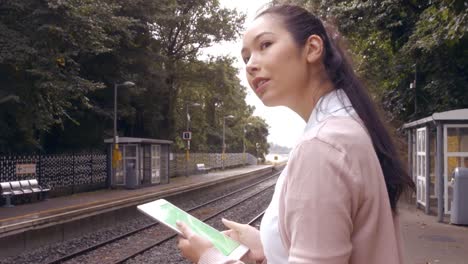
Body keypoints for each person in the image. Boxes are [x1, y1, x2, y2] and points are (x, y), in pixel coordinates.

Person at [176, 4, 415, 264]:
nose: (251, 65)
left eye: (265, 45)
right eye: (246, 58)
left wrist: (209, 257)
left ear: (312, 48)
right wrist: (269, 244)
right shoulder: (346, 125)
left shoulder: (322, 144)